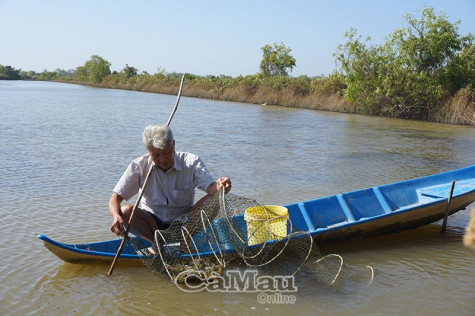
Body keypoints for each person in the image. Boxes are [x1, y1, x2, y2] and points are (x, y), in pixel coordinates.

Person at [109, 125, 231, 248]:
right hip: (152, 223)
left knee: (215, 199)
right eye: (156, 155)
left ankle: (184, 243)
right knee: (125, 211)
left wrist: (221, 186)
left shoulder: (191, 162)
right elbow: (115, 199)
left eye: (167, 152)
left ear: (173, 144)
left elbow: (211, 189)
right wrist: (116, 216)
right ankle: (156, 244)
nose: (162, 159)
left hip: (185, 221)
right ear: (148, 151)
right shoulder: (139, 166)